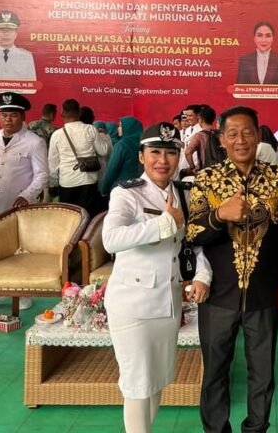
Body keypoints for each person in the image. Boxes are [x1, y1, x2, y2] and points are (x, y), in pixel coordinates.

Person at [186, 106, 278, 433]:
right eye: (232, 134)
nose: (240, 140)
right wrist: (220, 215)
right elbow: (193, 233)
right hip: (218, 294)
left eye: (247, 132)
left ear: (258, 134)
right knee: (215, 372)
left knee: (262, 373)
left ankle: (256, 428)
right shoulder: (207, 179)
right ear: (221, 139)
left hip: (264, 293)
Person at [103, 122, 212, 433]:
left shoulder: (186, 193)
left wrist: (202, 275)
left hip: (168, 304)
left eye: (170, 153)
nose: (163, 160)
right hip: (133, 305)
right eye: (155, 152)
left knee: (156, 380)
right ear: (141, 156)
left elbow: (195, 244)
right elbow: (111, 239)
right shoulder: (127, 194)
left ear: (179, 157)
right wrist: (164, 224)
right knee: (137, 383)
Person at [0, 92, 49, 311]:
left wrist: (27, 195)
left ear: (22, 117)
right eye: (4, 115)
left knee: (18, 251)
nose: (8, 119)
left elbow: (42, 175)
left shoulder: (34, 142)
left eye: (13, 115)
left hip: (18, 207)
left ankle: (21, 292)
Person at [48, 99, 112, 216]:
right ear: (79, 113)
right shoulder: (90, 129)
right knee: (87, 216)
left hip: (67, 181)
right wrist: (104, 136)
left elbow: (53, 163)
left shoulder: (57, 135)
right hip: (88, 180)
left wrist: (53, 184)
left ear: (62, 114)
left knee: (69, 217)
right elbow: (103, 151)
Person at [0, 10, 36, 80]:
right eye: (2, 31)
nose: (6, 34)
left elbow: (31, 85)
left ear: (16, 34)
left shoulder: (26, 56)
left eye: (10, 30)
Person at [99, 117, 144, 197]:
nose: (118, 129)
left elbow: (112, 169)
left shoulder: (121, 145)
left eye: (120, 126)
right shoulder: (144, 144)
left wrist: (104, 189)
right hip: (141, 186)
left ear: (128, 128)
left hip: (122, 187)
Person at [184, 105, 217, 174]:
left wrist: (192, 167)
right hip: (219, 170)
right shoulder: (219, 134)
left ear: (201, 119)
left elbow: (188, 152)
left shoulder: (199, 135)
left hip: (204, 171)